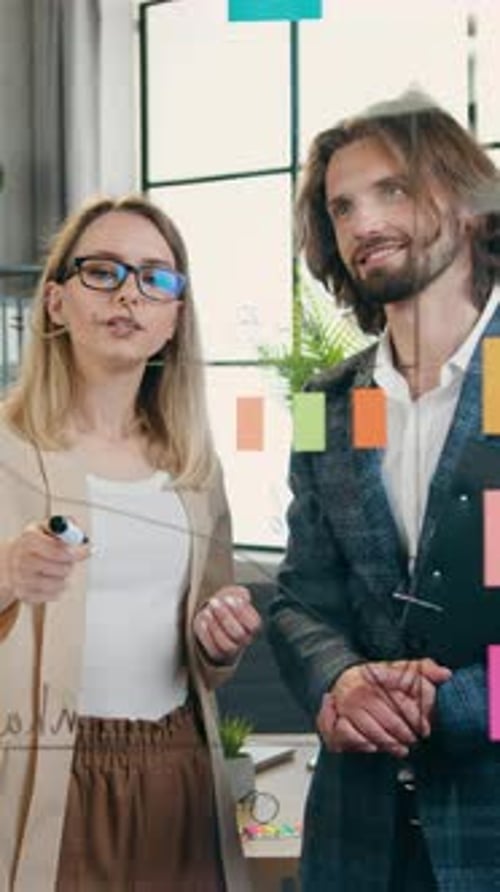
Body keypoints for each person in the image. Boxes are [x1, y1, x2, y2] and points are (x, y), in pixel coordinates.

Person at [268, 91, 500, 892]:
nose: (363, 223)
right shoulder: (323, 404)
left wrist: (453, 708)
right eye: (341, 207)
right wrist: (339, 680)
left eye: (392, 190)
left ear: (468, 201)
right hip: (353, 840)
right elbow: (300, 599)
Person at [0, 194, 261, 892]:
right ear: (55, 302)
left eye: (156, 277)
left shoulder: (194, 467)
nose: (130, 295)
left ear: (175, 318)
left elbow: (207, 643)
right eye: (104, 272)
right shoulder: (5, 445)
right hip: (41, 767)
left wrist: (219, 642)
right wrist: (6, 575)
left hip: (176, 768)